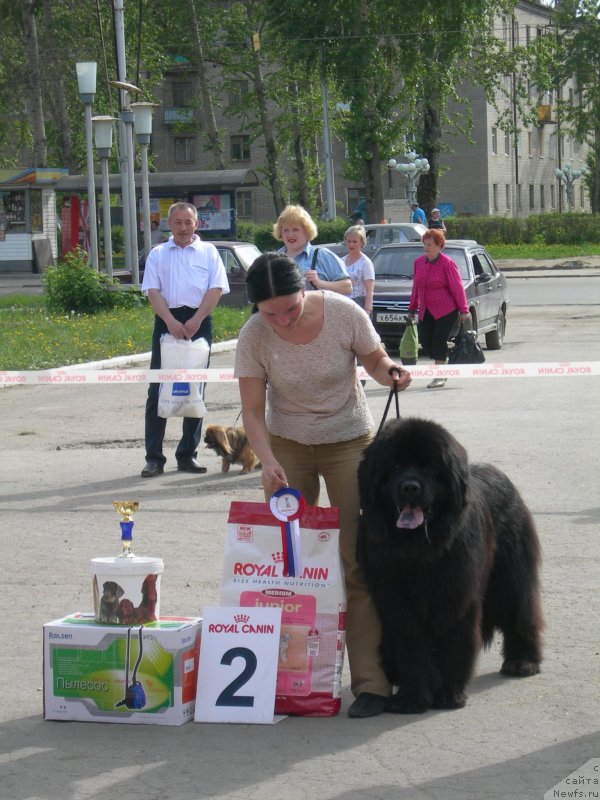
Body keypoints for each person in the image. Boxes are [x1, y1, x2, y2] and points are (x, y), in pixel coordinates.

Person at [234, 253, 412, 718]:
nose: (283, 320)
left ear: (304, 291)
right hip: (286, 445)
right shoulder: (254, 335)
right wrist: (267, 461)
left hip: (350, 440)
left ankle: (372, 683)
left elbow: (374, 359)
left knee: (358, 560)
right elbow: (252, 411)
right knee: (284, 567)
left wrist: (390, 371)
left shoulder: (343, 313)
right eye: (270, 313)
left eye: (290, 308)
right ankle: (286, 680)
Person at [140, 202, 230, 477]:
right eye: (177, 222)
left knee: (194, 389)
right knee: (158, 391)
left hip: (199, 322)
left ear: (196, 224)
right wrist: (170, 321)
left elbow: (215, 289)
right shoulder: (158, 253)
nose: (182, 228)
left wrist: (197, 319)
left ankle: (187, 455)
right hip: (166, 322)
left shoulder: (209, 252)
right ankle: (154, 458)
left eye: (188, 222)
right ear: (170, 224)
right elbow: (152, 291)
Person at [407, 228, 470, 389]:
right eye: (425, 244)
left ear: (439, 246)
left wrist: (464, 310)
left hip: (446, 309)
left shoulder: (447, 263)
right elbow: (417, 287)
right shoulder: (418, 263)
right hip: (426, 309)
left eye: (430, 244)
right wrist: (412, 307)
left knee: (439, 340)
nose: (426, 247)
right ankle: (443, 361)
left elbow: (457, 287)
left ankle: (440, 374)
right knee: (425, 341)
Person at [273, 204, 351, 295]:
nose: (290, 235)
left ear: (307, 231)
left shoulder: (322, 256)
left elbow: (347, 287)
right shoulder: (274, 260)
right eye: (285, 230)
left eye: (295, 229)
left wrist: (320, 283)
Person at [343, 225, 375, 315]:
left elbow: (370, 290)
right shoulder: (341, 261)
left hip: (358, 303)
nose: (351, 244)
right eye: (349, 241)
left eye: (354, 241)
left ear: (362, 242)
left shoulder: (366, 263)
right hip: (342, 303)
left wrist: (368, 310)